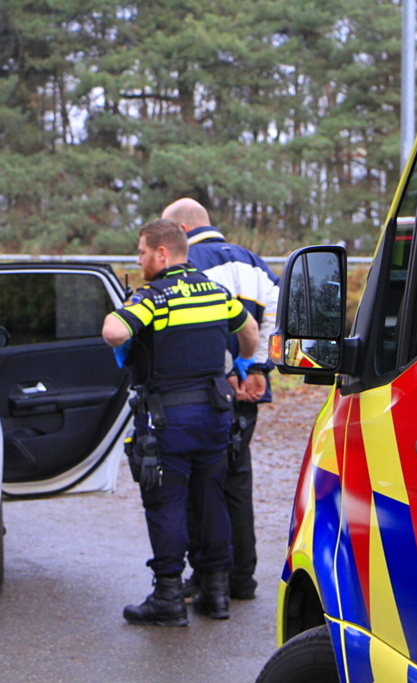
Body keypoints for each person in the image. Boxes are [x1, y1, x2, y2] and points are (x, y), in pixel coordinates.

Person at [102, 218, 258, 626]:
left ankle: (169, 598)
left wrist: (131, 316)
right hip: (216, 415)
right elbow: (252, 330)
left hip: (170, 418)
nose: (138, 260)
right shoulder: (216, 291)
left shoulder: (154, 297)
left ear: (162, 253)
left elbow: (113, 331)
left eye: (141, 252)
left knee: (167, 502)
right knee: (211, 499)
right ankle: (216, 592)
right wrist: (241, 364)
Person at [161, 198, 280, 601]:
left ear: (179, 228)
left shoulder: (187, 263)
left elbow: (201, 325)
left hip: (208, 390)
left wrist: (231, 370)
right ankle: (242, 577)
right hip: (248, 392)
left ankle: (209, 576)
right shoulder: (256, 263)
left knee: (201, 487)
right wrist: (257, 369)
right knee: (237, 481)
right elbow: (274, 319)